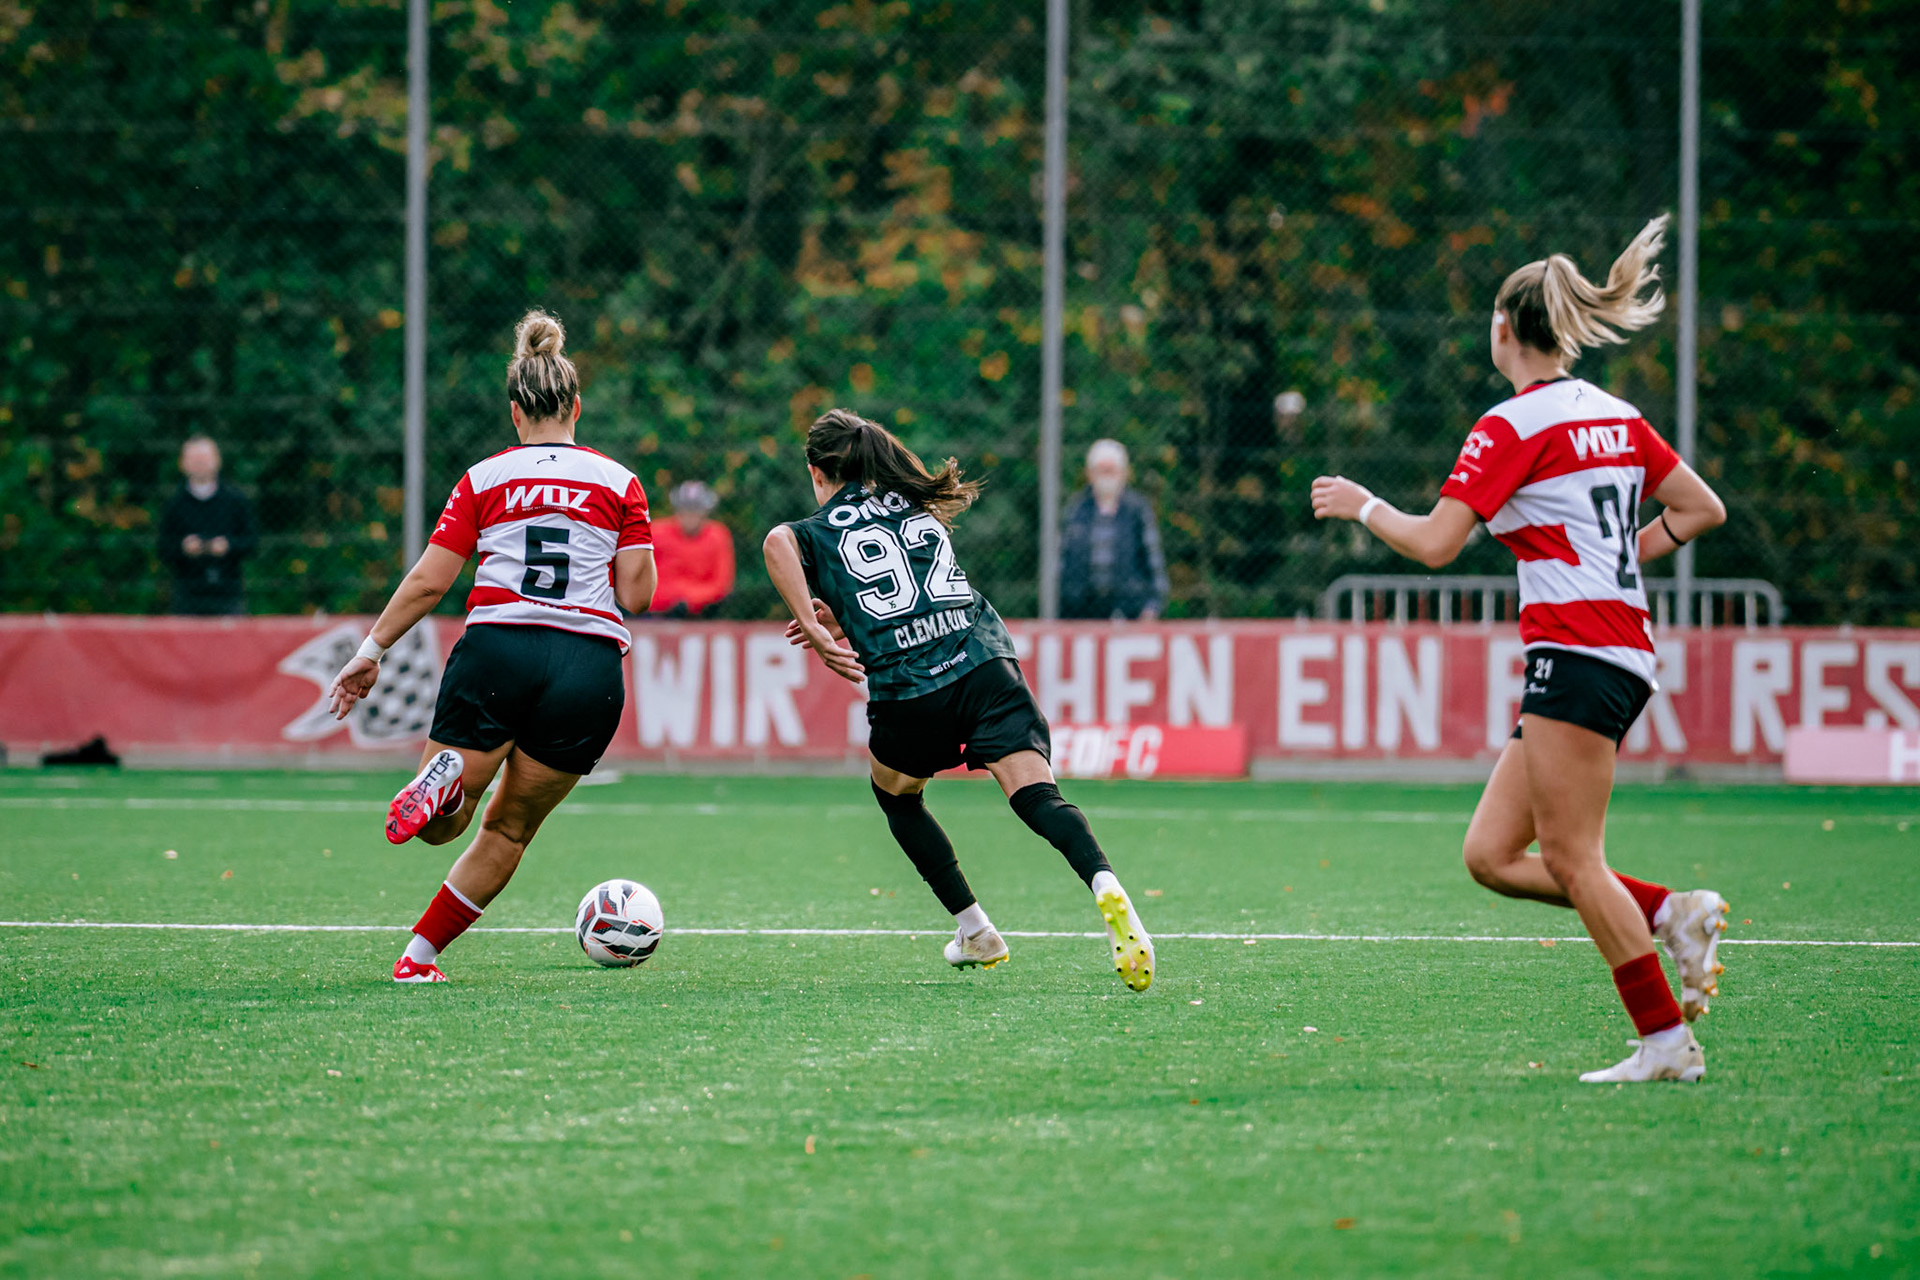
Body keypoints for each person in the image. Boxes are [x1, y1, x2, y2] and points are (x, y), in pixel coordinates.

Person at [1310, 215, 1731, 1084]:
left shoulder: (1511, 426)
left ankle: (1665, 1041)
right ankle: (1672, 912)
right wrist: (1619, 559)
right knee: (1493, 857)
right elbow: (1700, 511)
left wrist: (1362, 506)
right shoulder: (1616, 417)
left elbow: (1434, 545)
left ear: (1504, 328)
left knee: (1574, 859)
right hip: (1612, 653)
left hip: (1578, 653)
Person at [764, 409, 1156, 991]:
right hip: (984, 664)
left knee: (896, 795)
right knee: (1037, 795)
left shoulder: (820, 528)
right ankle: (1105, 882)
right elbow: (912, 589)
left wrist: (818, 629)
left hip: (912, 692)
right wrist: (846, 617)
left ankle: (976, 929)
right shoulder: (913, 503)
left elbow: (777, 541)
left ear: (816, 470)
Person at [328, 310, 656, 984]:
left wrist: (371, 648)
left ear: (515, 412)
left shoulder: (482, 479)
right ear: (577, 406)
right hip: (585, 667)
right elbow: (638, 595)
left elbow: (430, 581)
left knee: (441, 828)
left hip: (496, 650)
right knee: (509, 831)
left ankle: (444, 787)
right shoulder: (620, 483)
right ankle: (419, 958)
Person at [1058, 438, 1169, 620]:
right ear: (1090, 473)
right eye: (1102, 470)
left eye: (1111, 470)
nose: (1106, 476)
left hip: (1129, 608)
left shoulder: (1137, 510)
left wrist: (1153, 605)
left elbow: (1153, 560)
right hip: (1081, 610)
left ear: (1124, 473)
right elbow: (1061, 562)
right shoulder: (1076, 510)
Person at [156, 435, 256, 615]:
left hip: (228, 593)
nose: (199, 464)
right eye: (194, 459)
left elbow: (251, 543)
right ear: (183, 463)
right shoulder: (174, 504)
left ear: (217, 461)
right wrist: (183, 548)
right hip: (187, 595)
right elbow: (163, 548)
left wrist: (228, 546)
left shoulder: (235, 500)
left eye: (204, 459)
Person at [649, 480, 736, 617]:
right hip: (655, 610)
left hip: (700, 612)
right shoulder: (656, 533)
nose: (690, 516)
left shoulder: (718, 536)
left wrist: (689, 599)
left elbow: (722, 584)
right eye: (686, 510)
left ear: (705, 512)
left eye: (695, 510)